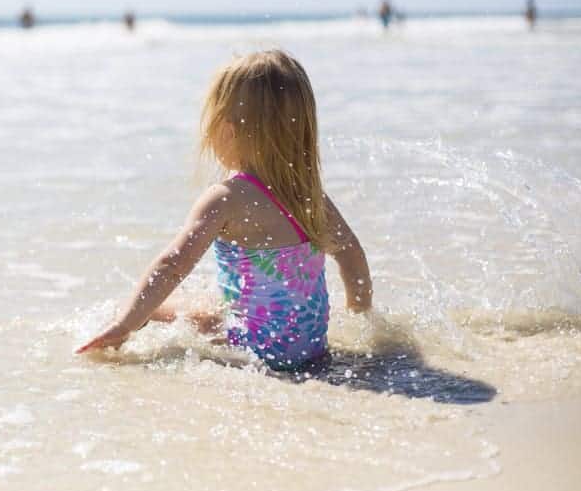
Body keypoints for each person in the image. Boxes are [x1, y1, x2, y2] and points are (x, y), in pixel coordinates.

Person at [77, 50, 373, 370]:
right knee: (209, 305)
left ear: (227, 130)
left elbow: (173, 266)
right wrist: (361, 317)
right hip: (310, 350)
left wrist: (125, 325)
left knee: (145, 310)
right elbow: (350, 253)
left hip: (254, 352)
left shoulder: (226, 198)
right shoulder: (311, 197)